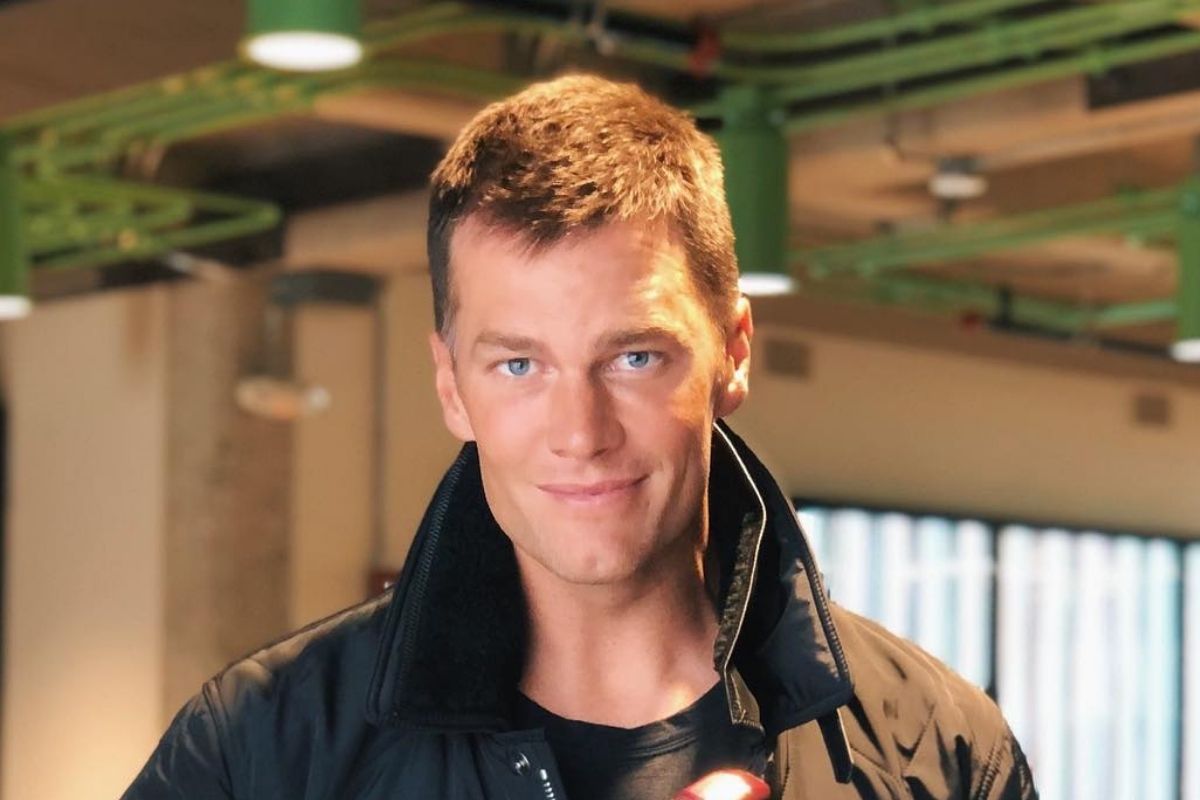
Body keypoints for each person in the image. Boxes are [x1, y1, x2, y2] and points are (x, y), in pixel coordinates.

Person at [122, 74, 1037, 800]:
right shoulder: (262, 748)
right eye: (519, 365)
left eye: (633, 357)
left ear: (733, 352)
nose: (580, 433)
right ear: (450, 385)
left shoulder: (933, 750)